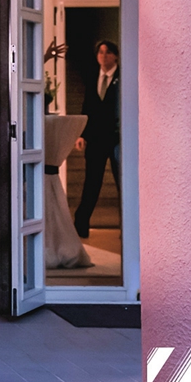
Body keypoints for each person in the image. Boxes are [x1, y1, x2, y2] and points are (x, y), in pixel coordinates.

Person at [73, 40, 120, 239]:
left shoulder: (122, 77)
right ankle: (81, 225)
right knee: (92, 182)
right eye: (100, 52)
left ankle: (127, 227)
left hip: (118, 138)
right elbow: (87, 107)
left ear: (115, 56)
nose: (103, 56)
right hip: (96, 138)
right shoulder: (94, 76)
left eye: (108, 52)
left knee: (123, 183)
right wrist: (82, 134)